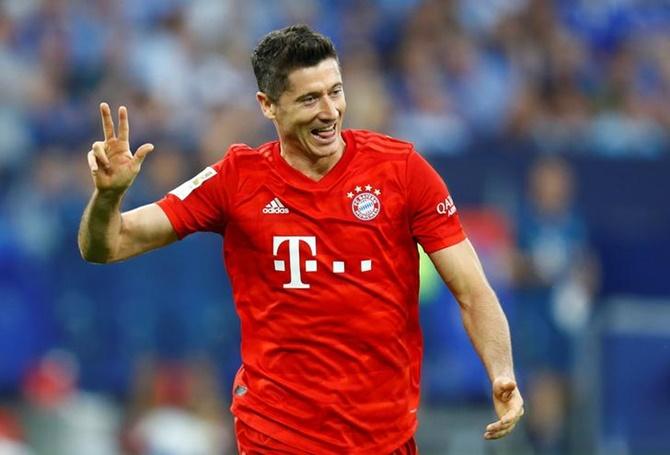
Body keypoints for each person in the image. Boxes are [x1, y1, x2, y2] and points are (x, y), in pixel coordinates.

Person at [78, 24, 524, 454]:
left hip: (386, 436)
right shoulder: (236, 180)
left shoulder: (402, 171)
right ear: (268, 105)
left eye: (335, 91)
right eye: (310, 98)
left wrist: (501, 372)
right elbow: (107, 245)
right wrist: (107, 198)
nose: (329, 111)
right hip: (278, 433)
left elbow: (472, 291)